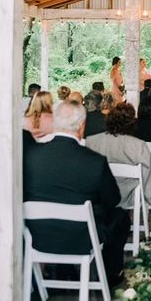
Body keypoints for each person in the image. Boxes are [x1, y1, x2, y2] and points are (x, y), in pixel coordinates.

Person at [23, 100, 130, 287]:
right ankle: (112, 274)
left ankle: (58, 270)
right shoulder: (94, 162)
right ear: (82, 126)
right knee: (120, 216)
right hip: (81, 239)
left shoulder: (30, 155)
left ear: (55, 122)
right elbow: (113, 199)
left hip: (38, 237)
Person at [86, 102, 151, 209]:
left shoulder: (90, 141)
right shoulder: (138, 145)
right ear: (132, 123)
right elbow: (146, 174)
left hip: (98, 195)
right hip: (128, 196)